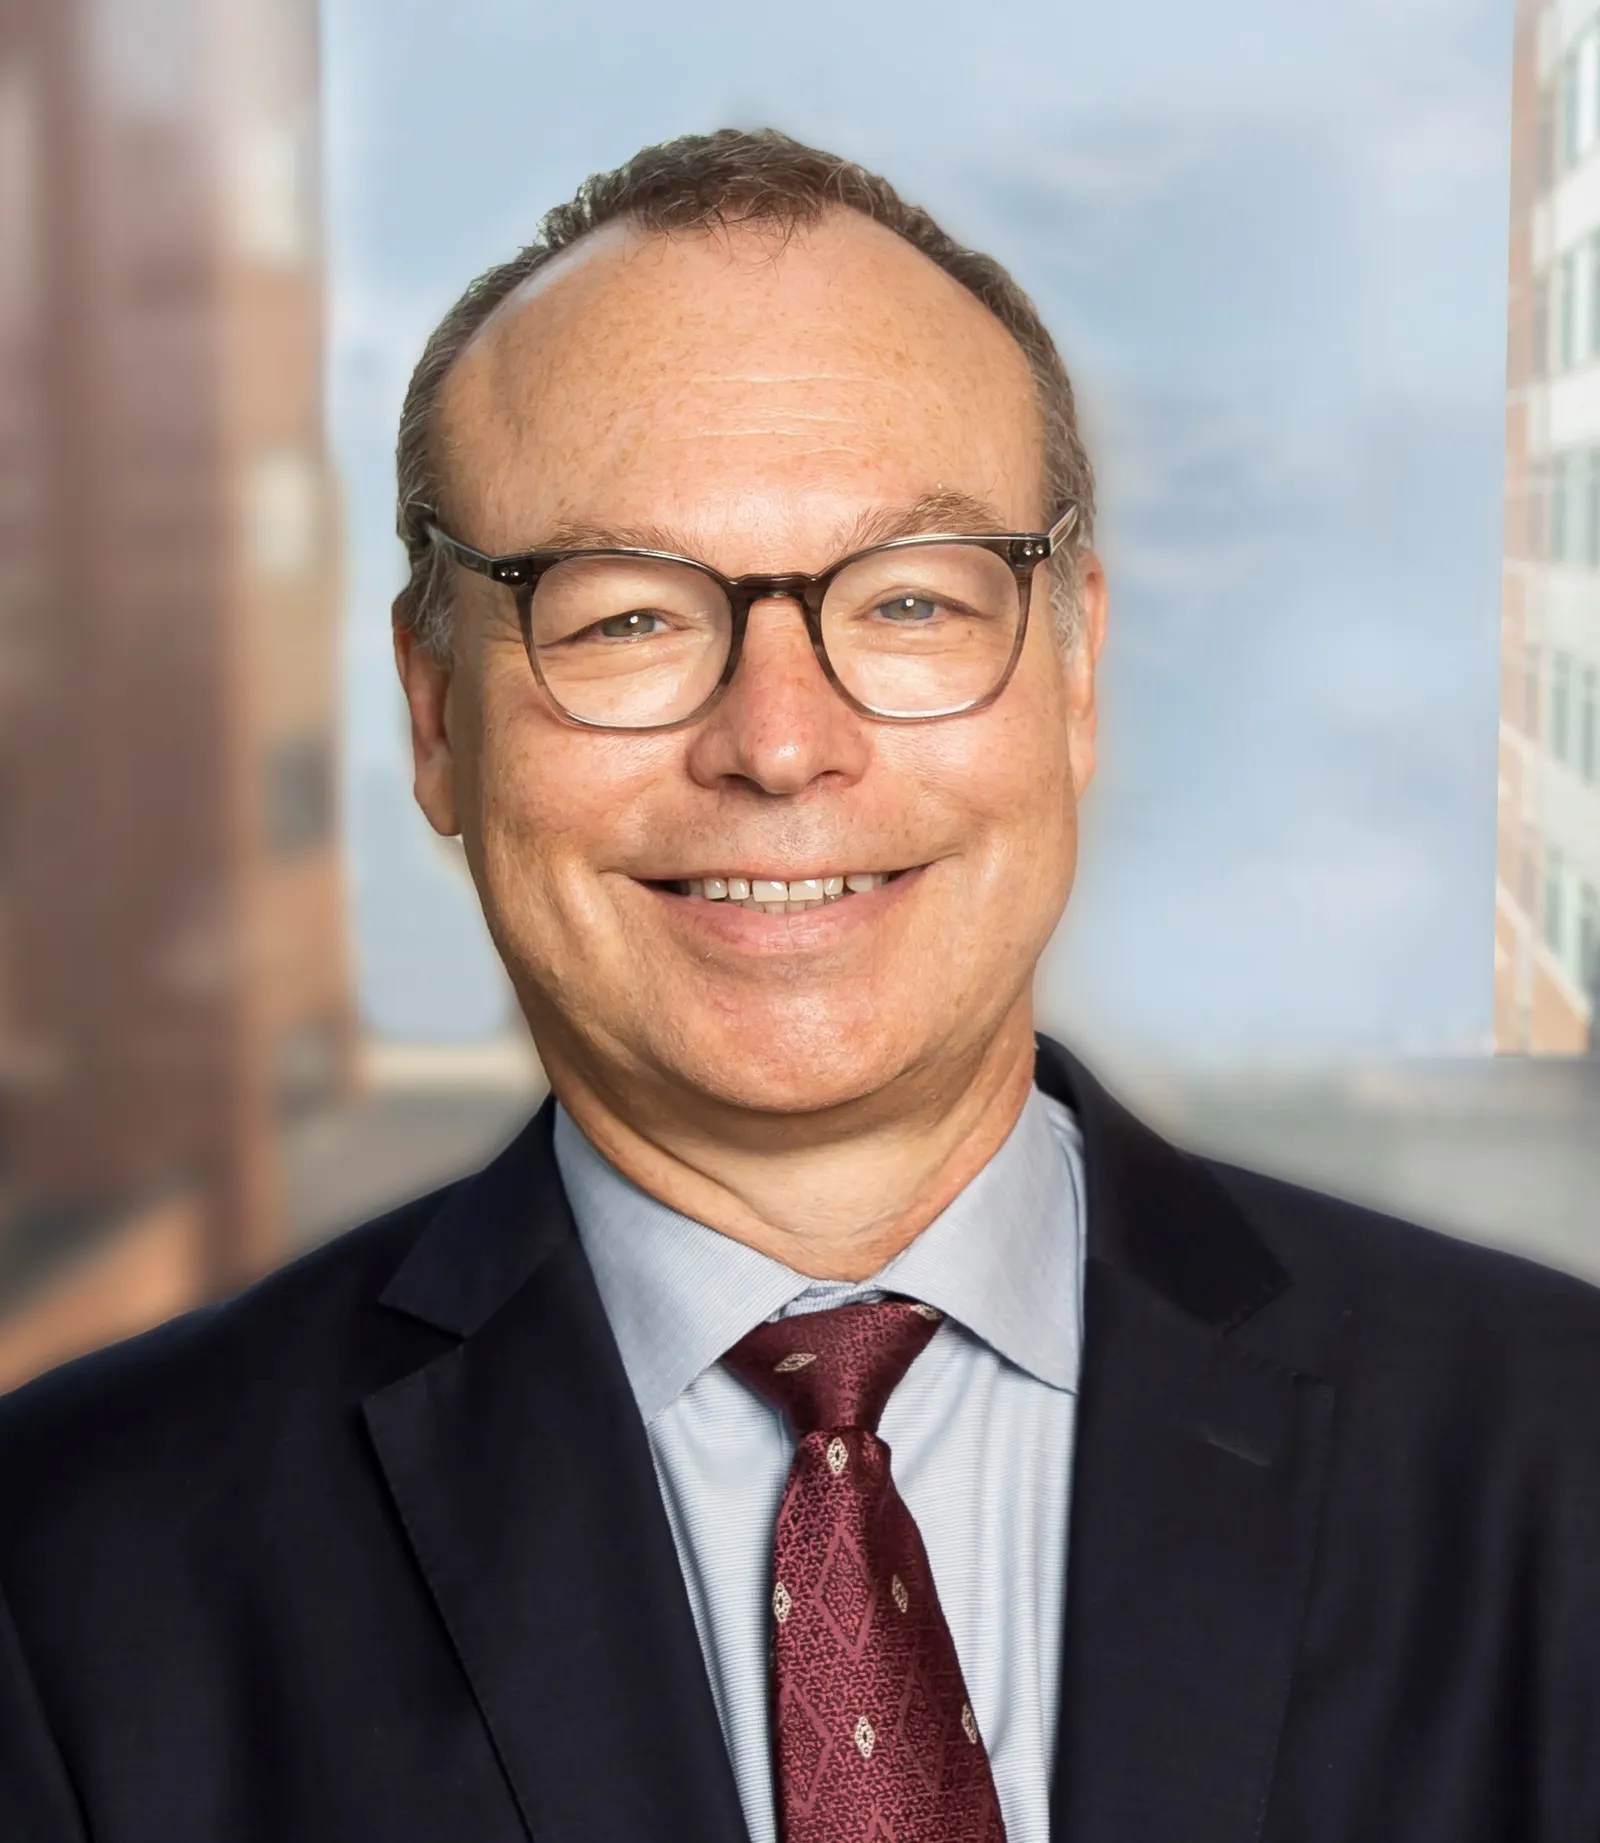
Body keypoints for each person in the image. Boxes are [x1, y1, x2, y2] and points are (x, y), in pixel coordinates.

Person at [1, 128, 1598, 1843]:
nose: (778, 741)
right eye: (623, 618)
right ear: (437, 715)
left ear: (1075, 675)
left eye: (908, 601)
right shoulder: (67, 1572)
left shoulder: (1559, 1453)